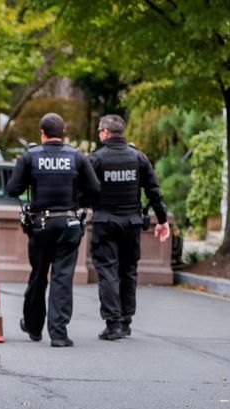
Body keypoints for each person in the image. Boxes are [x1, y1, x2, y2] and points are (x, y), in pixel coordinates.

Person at [6, 112, 101, 347]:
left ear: (42, 133)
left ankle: (33, 327)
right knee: (62, 278)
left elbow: (13, 189)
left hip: (40, 225)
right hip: (68, 224)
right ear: (63, 133)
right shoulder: (76, 156)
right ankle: (58, 334)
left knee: (38, 276)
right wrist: (77, 199)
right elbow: (95, 188)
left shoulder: (31, 156)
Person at [88, 114, 170, 340]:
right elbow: (153, 190)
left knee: (107, 271)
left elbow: (82, 190)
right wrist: (162, 219)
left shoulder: (96, 159)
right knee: (128, 272)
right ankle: (125, 322)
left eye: (99, 130)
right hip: (131, 223)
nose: (99, 133)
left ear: (106, 132)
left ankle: (113, 323)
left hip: (105, 223)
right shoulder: (138, 157)